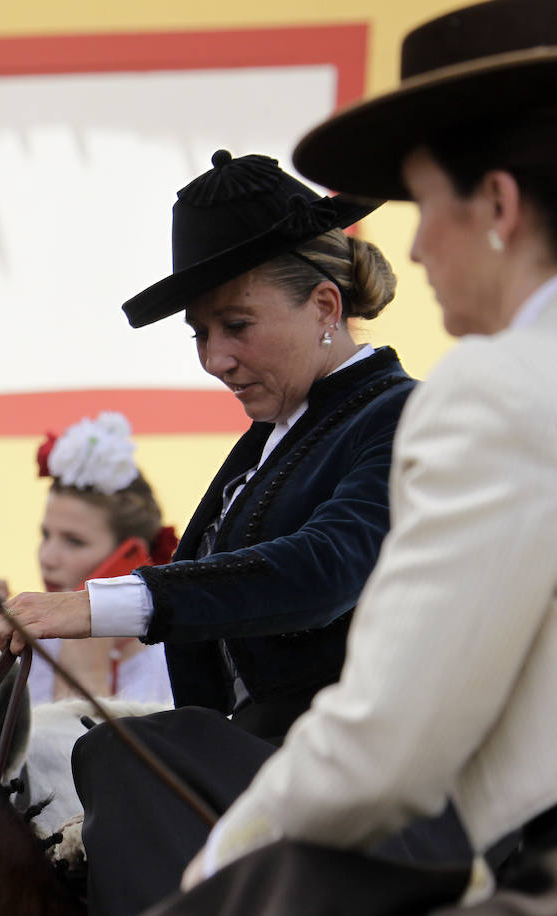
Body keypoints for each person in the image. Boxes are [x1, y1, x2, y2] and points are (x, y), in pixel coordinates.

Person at [155, 2, 557, 912]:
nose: (412, 250)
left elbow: (391, 743)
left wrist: (219, 864)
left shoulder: (493, 389)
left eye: (426, 207)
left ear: (496, 203)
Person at [0, 150, 448, 915]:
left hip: (378, 787)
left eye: (236, 325)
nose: (215, 359)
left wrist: (88, 605)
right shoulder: (268, 445)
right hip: (275, 768)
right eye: (199, 334)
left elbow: (325, 570)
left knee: (128, 753)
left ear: (326, 307)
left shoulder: (403, 415)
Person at [0, 411, 178, 705]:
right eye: (46, 535)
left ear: (128, 556)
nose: (48, 557)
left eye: (74, 542)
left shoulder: (167, 661)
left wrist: (87, 670)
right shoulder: (21, 642)